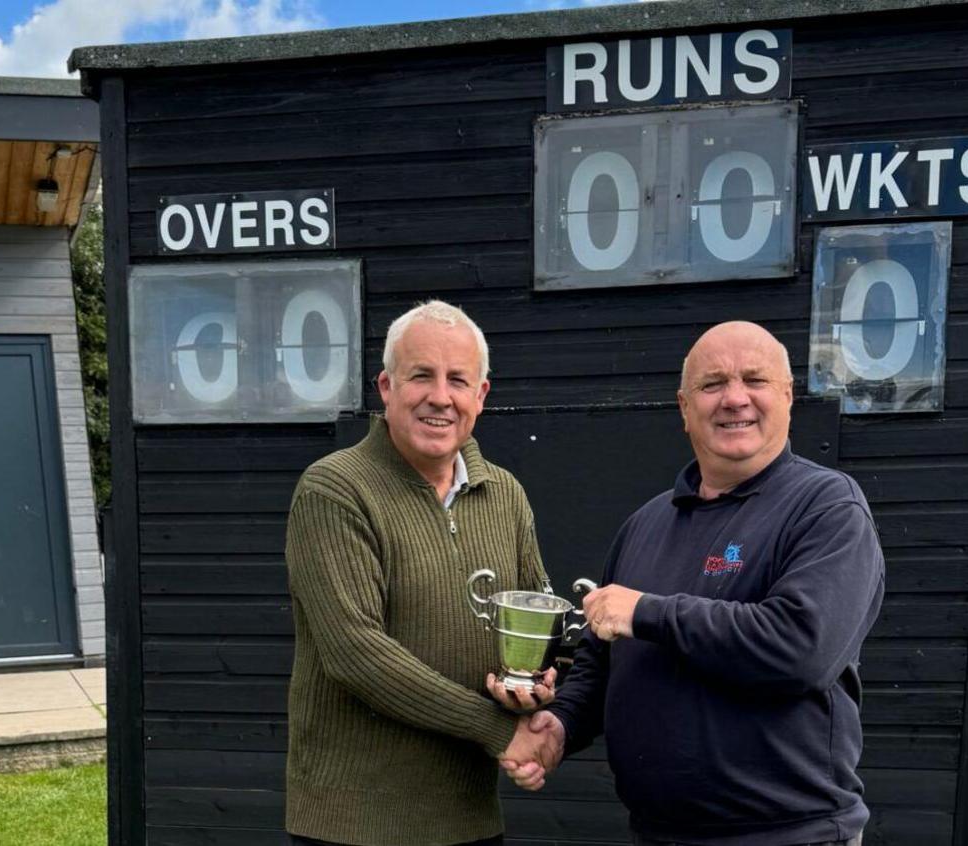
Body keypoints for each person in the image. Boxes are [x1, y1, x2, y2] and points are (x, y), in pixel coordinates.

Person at [498, 321, 885, 846]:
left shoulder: (827, 507)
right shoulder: (646, 524)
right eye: (712, 384)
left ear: (788, 396)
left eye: (755, 380)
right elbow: (599, 663)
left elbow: (801, 649)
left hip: (788, 834)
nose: (734, 399)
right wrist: (561, 724)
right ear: (685, 407)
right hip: (659, 833)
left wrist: (647, 613)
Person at [284, 300, 558, 846]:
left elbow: (538, 621)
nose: (440, 396)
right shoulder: (334, 489)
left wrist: (544, 685)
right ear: (386, 387)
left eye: (458, 379)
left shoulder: (505, 494)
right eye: (421, 376)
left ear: (481, 395)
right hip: (354, 826)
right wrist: (498, 729)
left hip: (469, 818)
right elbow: (356, 654)